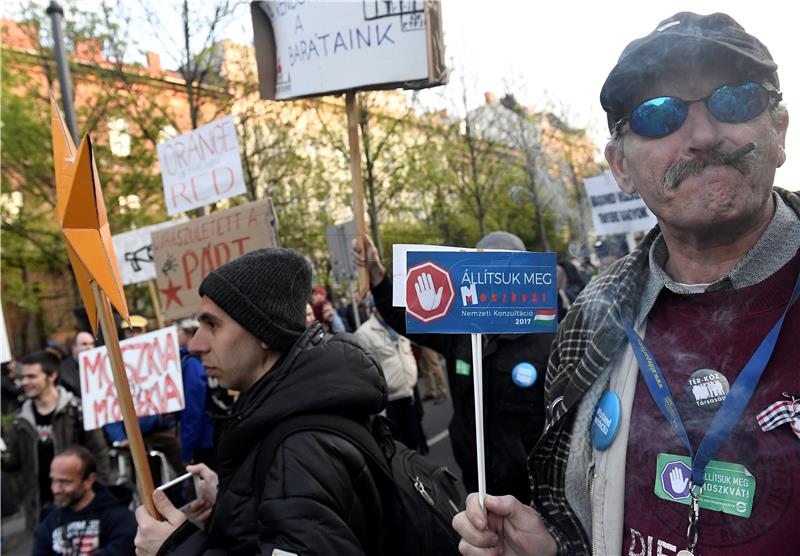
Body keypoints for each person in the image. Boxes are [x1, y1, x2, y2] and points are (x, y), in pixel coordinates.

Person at [454, 11, 798, 555]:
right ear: (620, 167)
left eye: (734, 99)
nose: (704, 135)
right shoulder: (589, 322)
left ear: (778, 131)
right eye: (660, 116)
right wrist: (553, 548)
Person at [134, 248, 387, 555]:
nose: (196, 345)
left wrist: (175, 548)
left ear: (264, 331)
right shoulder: (290, 418)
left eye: (212, 325)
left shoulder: (300, 453)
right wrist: (236, 498)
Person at [354, 231, 555, 505]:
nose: (491, 279)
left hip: (531, 484)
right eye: (482, 269)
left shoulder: (546, 336)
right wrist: (377, 274)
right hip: (476, 475)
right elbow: (403, 317)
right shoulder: (462, 328)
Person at [1, 351, 111, 531]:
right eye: (22, 377)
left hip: (80, 504)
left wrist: (100, 496)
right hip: (41, 510)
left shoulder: (77, 410)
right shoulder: (19, 419)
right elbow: (14, 463)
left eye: (32, 376)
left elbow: (99, 453)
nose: (24, 382)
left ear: (52, 376)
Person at [32, 446, 136, 555]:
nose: (56, 489)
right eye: (54, 481)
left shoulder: (119, 518)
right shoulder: (49, 523)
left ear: (89, 480)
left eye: (65, 482)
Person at [355, 306, 426, 453]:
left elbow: (408, 352)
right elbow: (363, 367)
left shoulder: (401, 323)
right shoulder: (364, 333)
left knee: (415, 439)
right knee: (397, 444)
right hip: (390, 400)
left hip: (409, 391)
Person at [176, 318, 214, 467]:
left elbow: (192, 410)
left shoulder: (191, 364)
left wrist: (187, 451)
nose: (176, 335)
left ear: (188, 334)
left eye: (179, 331)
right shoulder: (192, 360)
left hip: (203, 440)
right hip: (207, 436)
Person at [58, 331, 96, 397]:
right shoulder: (63, 371)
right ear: (73, 348)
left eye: (92, 344)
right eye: (84, 344)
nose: (89, 347)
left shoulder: (101, 366)